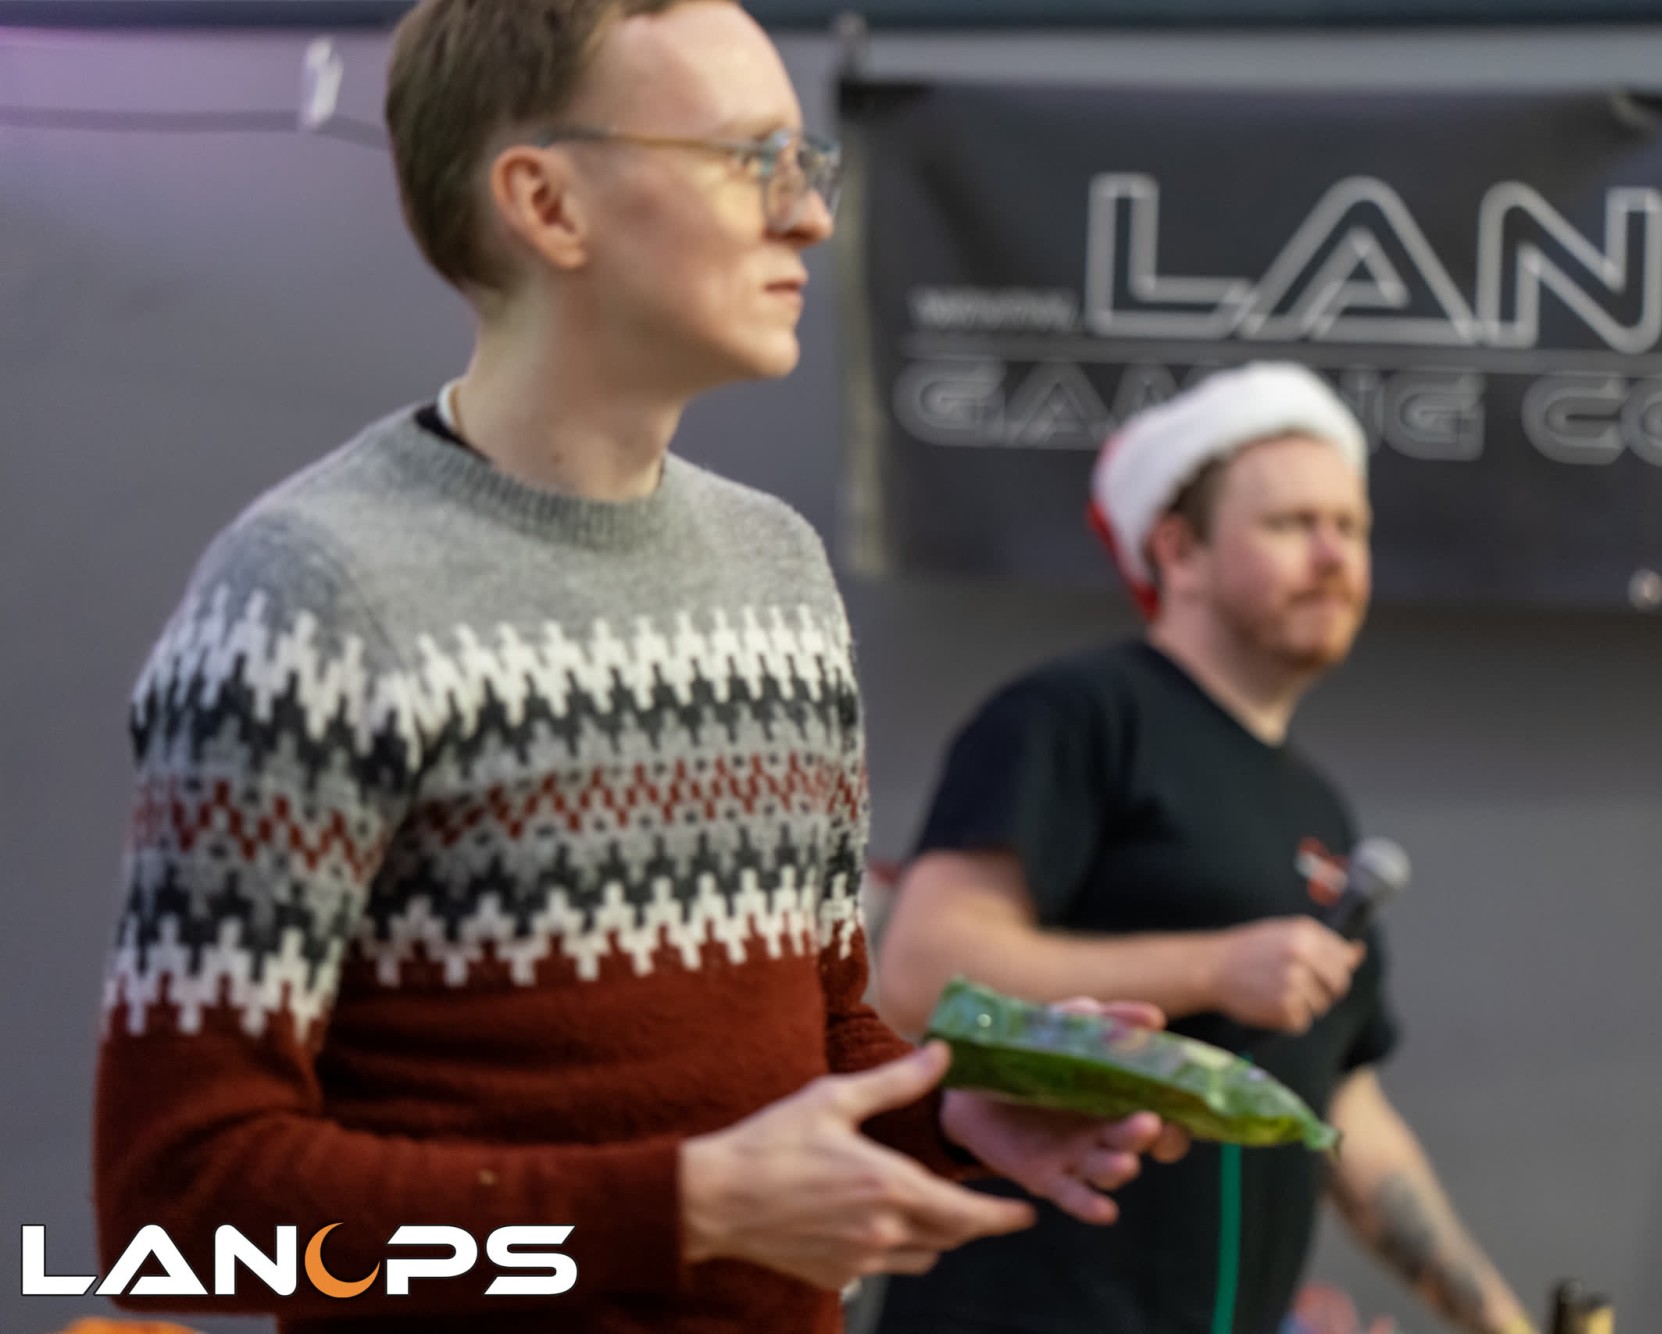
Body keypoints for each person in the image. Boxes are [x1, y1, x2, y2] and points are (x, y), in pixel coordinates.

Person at [90, 3, 1181, 1331]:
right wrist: (679, 1211)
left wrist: (947, 1110)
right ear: (546, 203)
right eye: (748, 158)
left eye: (809, 163)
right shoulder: (313, 594)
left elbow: (816, 1045)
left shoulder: (777, 569)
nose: (808, 217)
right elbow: (183, 1223)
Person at [871, 362, 1535, 1334]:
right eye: (1291, 524)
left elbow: (1345, 1108)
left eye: (1350, 527)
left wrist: (1503, 1321)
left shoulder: (1316, 806)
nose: (1332, 555)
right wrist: (1215, 968)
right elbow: (922, 972)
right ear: (1177, 551)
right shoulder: (1076, 715)